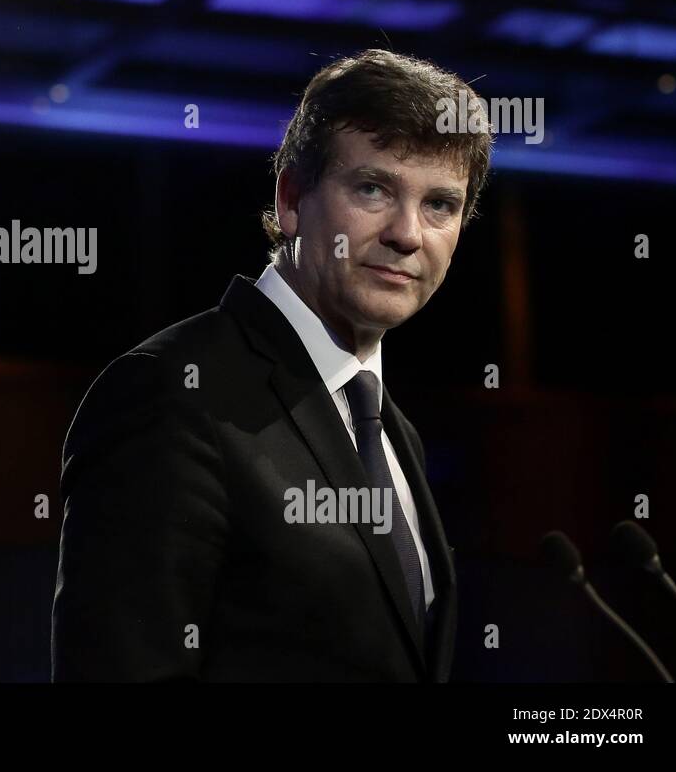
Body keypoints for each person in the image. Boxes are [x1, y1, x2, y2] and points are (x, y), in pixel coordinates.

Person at [51, 49, 493, 681]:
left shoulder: (396, 434)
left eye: (440, 206)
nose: (408, 234)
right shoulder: (171, 393)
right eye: (373, 188)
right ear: (291, 199)